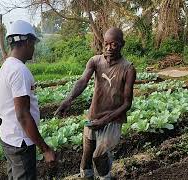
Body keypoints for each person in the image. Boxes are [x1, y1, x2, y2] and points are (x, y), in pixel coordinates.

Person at [55, 27, 136, 179]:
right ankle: (87, 176)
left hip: (112, 120)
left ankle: (105, 177)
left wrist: (105, 120)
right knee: (86, 156)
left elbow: (127, 104)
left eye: (114, 44)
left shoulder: (128, 68)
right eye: (106, 43)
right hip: (93, 116)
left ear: (122, 44)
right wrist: (68, 99)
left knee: (99, 156)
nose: (109, 48)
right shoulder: (95, 61)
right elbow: (82, 81)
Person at [0, 20, 56, 180]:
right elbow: (23, 115)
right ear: (28, 42)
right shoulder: (19, 71)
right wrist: (45, 149)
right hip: (20, 142)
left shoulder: (7, 66)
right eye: (33, 43)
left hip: (9, 138)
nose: (34, 48)